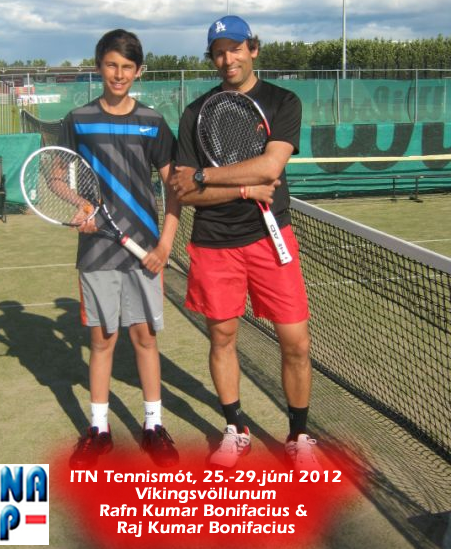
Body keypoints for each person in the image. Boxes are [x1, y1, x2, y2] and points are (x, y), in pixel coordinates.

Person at [170, 15, 320, 470]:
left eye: (235, 48)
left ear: (253, 49)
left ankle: (299, 434)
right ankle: (236, 428)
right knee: (222, 338)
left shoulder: (283, 102)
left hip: (271, 237)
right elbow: (185, 193)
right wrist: (241, 188)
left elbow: (270, 168)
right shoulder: (195, 113)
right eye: (218, 52)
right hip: (214, 242)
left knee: (296, 342)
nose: (227, 59)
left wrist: (204, 174)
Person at [60, 29, 181, 468]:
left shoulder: (153, 121)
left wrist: (165, 244)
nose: (119, 74)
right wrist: (82, 205)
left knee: (145, 338)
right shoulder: (77, 120)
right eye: (111, 64)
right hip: (97, 250)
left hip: (145, 250)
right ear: (99, 67)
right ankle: (99, 430)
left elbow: (175, 188)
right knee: (102, 339)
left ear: (139, 71)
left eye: (127, 67)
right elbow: (55, 177)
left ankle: (153, 426)